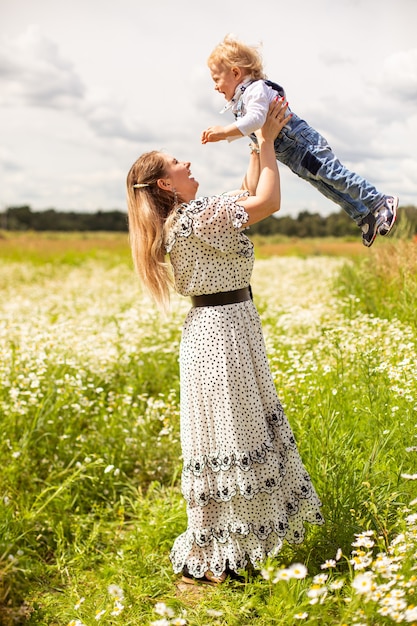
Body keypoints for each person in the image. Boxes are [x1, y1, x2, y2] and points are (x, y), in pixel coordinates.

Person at [126, 99, 323, 586]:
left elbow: (246, 190)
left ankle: (233, 549)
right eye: (178, 163)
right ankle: (229, 555)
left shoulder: (192, 215)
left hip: (223, 330)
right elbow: (268, 202)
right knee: (236, 435)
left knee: (232, 434)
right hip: (222, 336)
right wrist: (271, 142)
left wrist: (257, 143)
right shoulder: (193, 220)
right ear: (165, 184)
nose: (188, 162)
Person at [201, 34, 398, 248]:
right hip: (293, 157)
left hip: (303, 145)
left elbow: (256, 119)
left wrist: (224, 132)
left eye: (216, 79)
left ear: (236, 72)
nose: (215, 86)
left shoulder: (255, 90)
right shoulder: (242, 100)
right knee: (325, 185)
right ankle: (363, 216)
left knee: (335, 175)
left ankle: (379, 200)